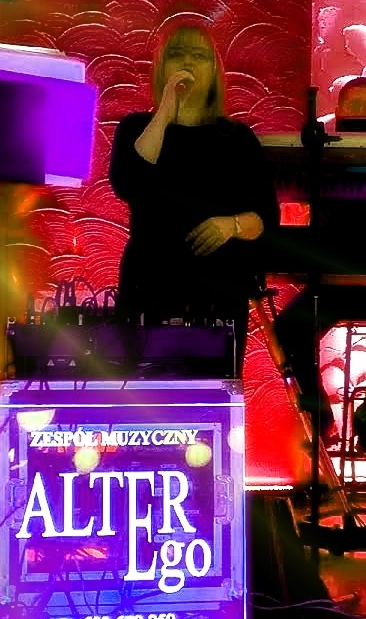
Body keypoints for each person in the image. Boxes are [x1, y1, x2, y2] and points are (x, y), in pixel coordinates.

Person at [108, 20, 280, 368]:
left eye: (199, 55)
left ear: (214, 70)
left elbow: (266, 216)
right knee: (143, 386)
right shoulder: (136, 128)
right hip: (149, 284)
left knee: (215, 387)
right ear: (161, 68)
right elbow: (129, 182)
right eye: (177, 54)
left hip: (218, 292)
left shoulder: (236, 138)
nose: (187, 62)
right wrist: (166, 109)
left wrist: (230, 225)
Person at [272, 77, 366, 457]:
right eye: (352, 106)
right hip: (330, 283)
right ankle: (320, 414)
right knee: (288, 329)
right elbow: (291, 196)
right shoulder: (320, 152)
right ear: (338, 112)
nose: (360, 113)